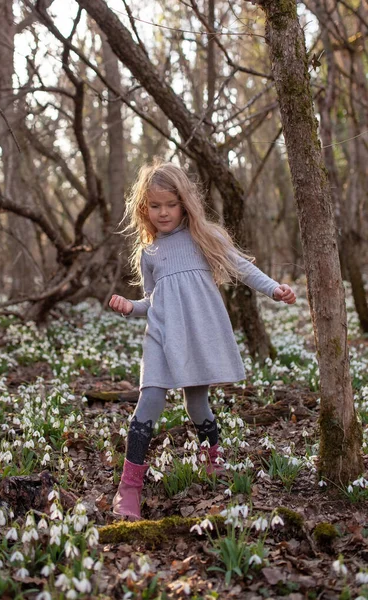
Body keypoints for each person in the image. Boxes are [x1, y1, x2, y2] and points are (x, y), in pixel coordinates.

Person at [109, 159, 296, 521]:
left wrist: (275, 289)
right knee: (148, 401)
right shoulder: (149, 253)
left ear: (185, 203)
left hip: (195, 335)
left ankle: (214, 458)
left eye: (171, 204)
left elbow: (242, 267)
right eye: (155, 206)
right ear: (144, 209)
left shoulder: (205, 238)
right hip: (162, 336)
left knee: (198, 406)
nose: (163, 213)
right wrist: (130, 307)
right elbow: (152, 301)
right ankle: (129, 486)